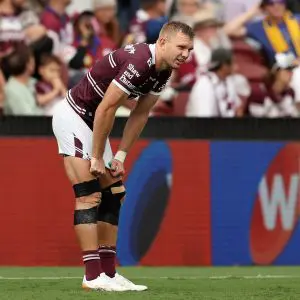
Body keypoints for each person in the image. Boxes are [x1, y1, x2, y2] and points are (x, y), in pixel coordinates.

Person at [52, 21, 194, 291]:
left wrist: (120, 156)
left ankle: (108, 272)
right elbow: (107, 106)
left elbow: (140, 113)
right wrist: (96, 156)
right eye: (181, 47)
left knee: (114, 193)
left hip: (94, 124)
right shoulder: (140, 61)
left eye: (189, 49)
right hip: (74, 116)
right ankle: (92, 276)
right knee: (88, 194)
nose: (185, 54)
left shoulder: (162, 71)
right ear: (162, 42)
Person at [186, 48, 244, 117]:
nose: (236, 67)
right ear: (224, 66)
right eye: (233, 63)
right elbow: (203, 120)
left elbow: (238, 107)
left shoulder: (228, 81)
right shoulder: (204, 85)